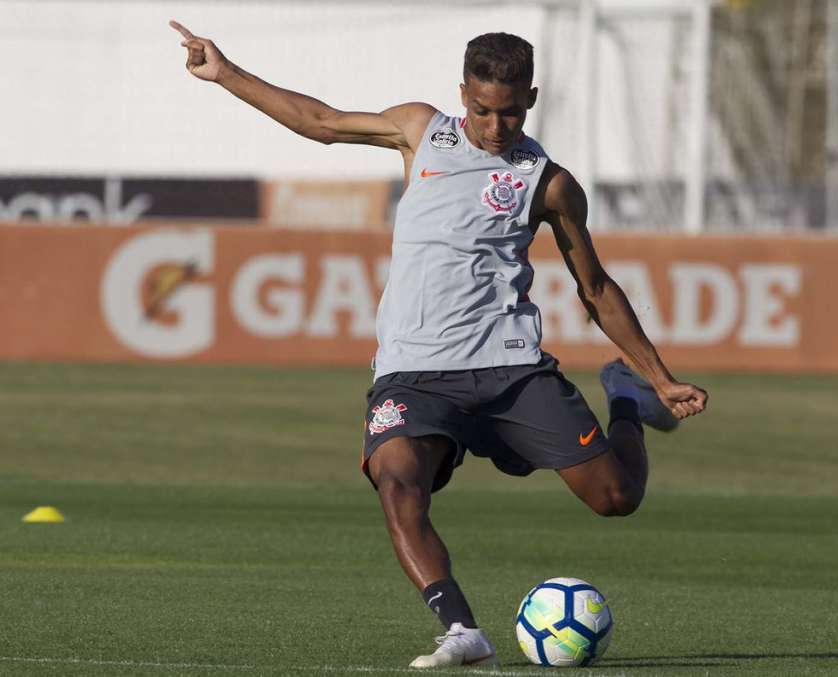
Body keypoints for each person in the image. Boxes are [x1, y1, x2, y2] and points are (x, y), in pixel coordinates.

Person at [171, 21, 708, 668]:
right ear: (462, 94)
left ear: (530, 100)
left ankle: (623, 397)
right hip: (414, 374)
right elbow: (320, 120)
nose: (495, 125)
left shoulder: (549, 183)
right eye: (481, 109)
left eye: (510, 111)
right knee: (397, 483)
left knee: (615, 497)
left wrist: (659, 374)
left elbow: (595, 289)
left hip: (510, 370)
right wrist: (226, 72)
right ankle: (461, 630)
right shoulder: (420, 130)